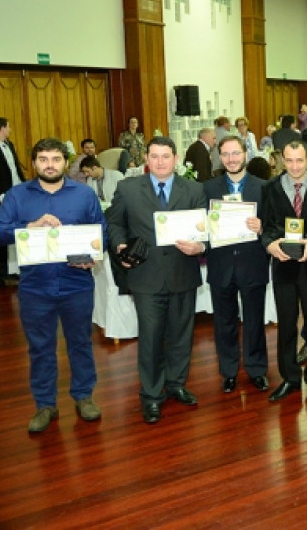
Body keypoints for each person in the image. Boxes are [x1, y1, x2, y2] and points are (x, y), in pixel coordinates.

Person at [0, 138, 104, 433]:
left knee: (80, 343)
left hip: (77, 283)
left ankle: (84, 397)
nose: (50, 165)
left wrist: (92, 256)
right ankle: (45, 404)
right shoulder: (17, 196)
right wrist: (28, 227)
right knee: (41, 348)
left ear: (65, 163)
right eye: (43, 159)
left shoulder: (83, 194)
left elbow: (99, 231)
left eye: (56, 159)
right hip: (35, 288)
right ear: (34, 163)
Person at [106, 136, 207, 425]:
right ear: (146, 160)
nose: (160, 161)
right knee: (150, 339)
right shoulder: (127, 188)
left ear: (176, 159)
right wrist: (120, 245)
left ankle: (176, 384)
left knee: (181, 336)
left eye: (166, 156)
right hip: (146, 276)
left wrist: (201, 247)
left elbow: (205, 228)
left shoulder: (194, 189)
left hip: (183, 273)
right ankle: (151, 395)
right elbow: (114, 223)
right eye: (155, 156)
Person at [261, 139, 307, 403]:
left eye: (299, 160)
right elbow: (267, 226)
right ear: (282, 160)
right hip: (283, 267)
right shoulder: (270, 188)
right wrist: (270, 244)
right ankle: (290, 379)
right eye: (289, 160)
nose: (294, 166)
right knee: (287, 326)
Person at [203, 136, 271, 396]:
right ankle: (229, 372)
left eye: (236, 153)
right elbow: (200, 226)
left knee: (255, 320)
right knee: (224, 322)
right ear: (220, 157)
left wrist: (262, 226)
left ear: (245, 154)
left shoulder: (264, 187)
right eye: (226, 154)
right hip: (221, 265)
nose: (231, 159)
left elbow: (274, 226)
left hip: (252, 263)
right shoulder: (207, 189)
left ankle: (256, 369)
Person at [0, 117, 27, 286]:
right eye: (9, 127)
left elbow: (15, 168)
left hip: (16, 192)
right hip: (0, 195)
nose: (10, 130)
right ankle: (0, 272)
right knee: (2, 231)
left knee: (20, 228)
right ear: (2, 128)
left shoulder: (10, 144)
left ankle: (16, 269)